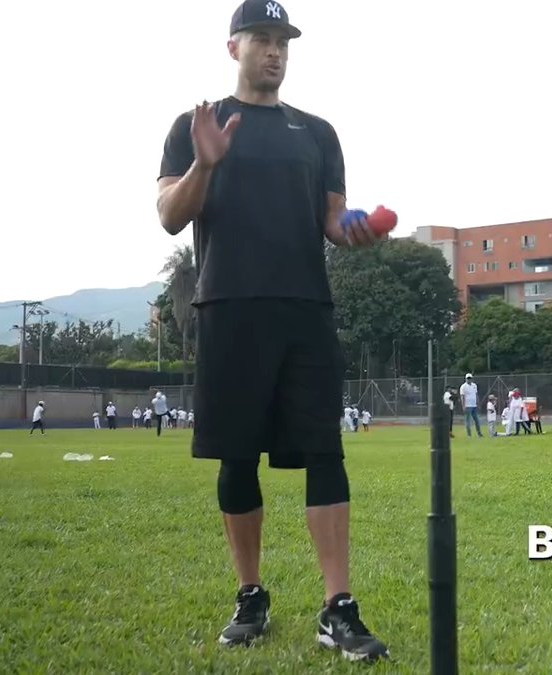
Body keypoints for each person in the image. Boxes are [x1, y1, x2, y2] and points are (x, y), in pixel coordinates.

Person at [155, 0, 388, 661]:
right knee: (237, 456)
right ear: (233, 48)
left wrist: (360, 231)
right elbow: (170, 215)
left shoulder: (316, 133)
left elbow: (333, 223)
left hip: (305, 311)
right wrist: (206, 163)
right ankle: (250, 594)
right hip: (228, 309)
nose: (275, 50)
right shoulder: (192, 125)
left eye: (283, 39)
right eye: (261, 38)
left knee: (325, 451)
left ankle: (337, 606)